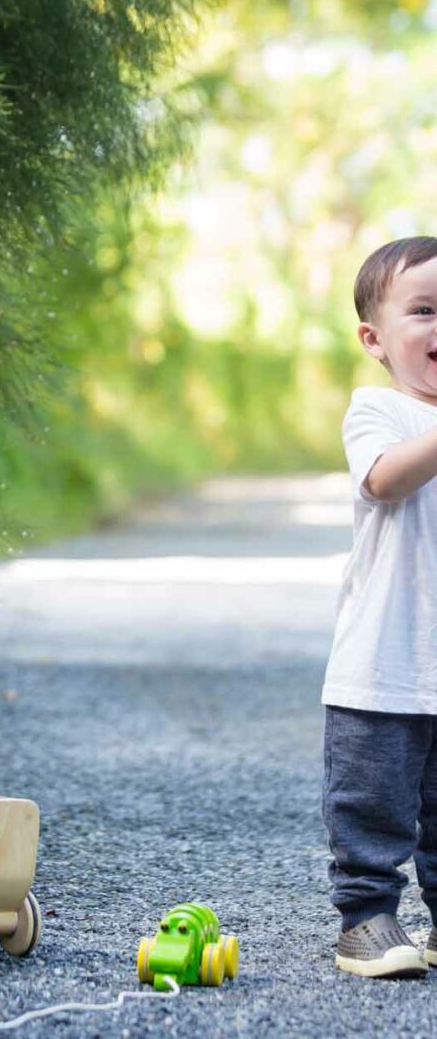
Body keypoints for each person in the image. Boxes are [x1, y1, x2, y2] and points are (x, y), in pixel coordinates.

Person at [323, 234, 437, 978]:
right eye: (426, 311)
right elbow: (386, 480)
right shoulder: (379, 412)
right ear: (375, 339)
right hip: (385, 665)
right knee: (372, 803)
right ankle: (367, 919)